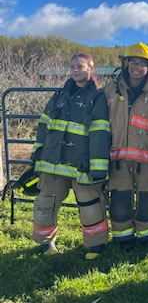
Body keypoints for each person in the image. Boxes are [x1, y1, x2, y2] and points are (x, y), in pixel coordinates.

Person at [31, 54, 111, 260]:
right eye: (72, 66)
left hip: (81, 162)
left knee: (90, 204)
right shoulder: (59, 95)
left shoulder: (97, 97)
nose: (75, 70)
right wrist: (38, 152)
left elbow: (100, 133)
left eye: (80, 66)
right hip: (52, 161)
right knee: (45, 204)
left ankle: (96, 245)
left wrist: (98, 167)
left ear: (91, 69)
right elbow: (44, 124)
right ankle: (46, 243)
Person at [104, 42, 148, 250]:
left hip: (147, 160)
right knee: (120, 199)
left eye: (142, 63)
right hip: (117, 159)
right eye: (132, 61)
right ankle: (123, 238)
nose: (136, 66)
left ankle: (146, 236)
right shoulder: (109, 90)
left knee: (147, 199)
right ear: (125, 63)